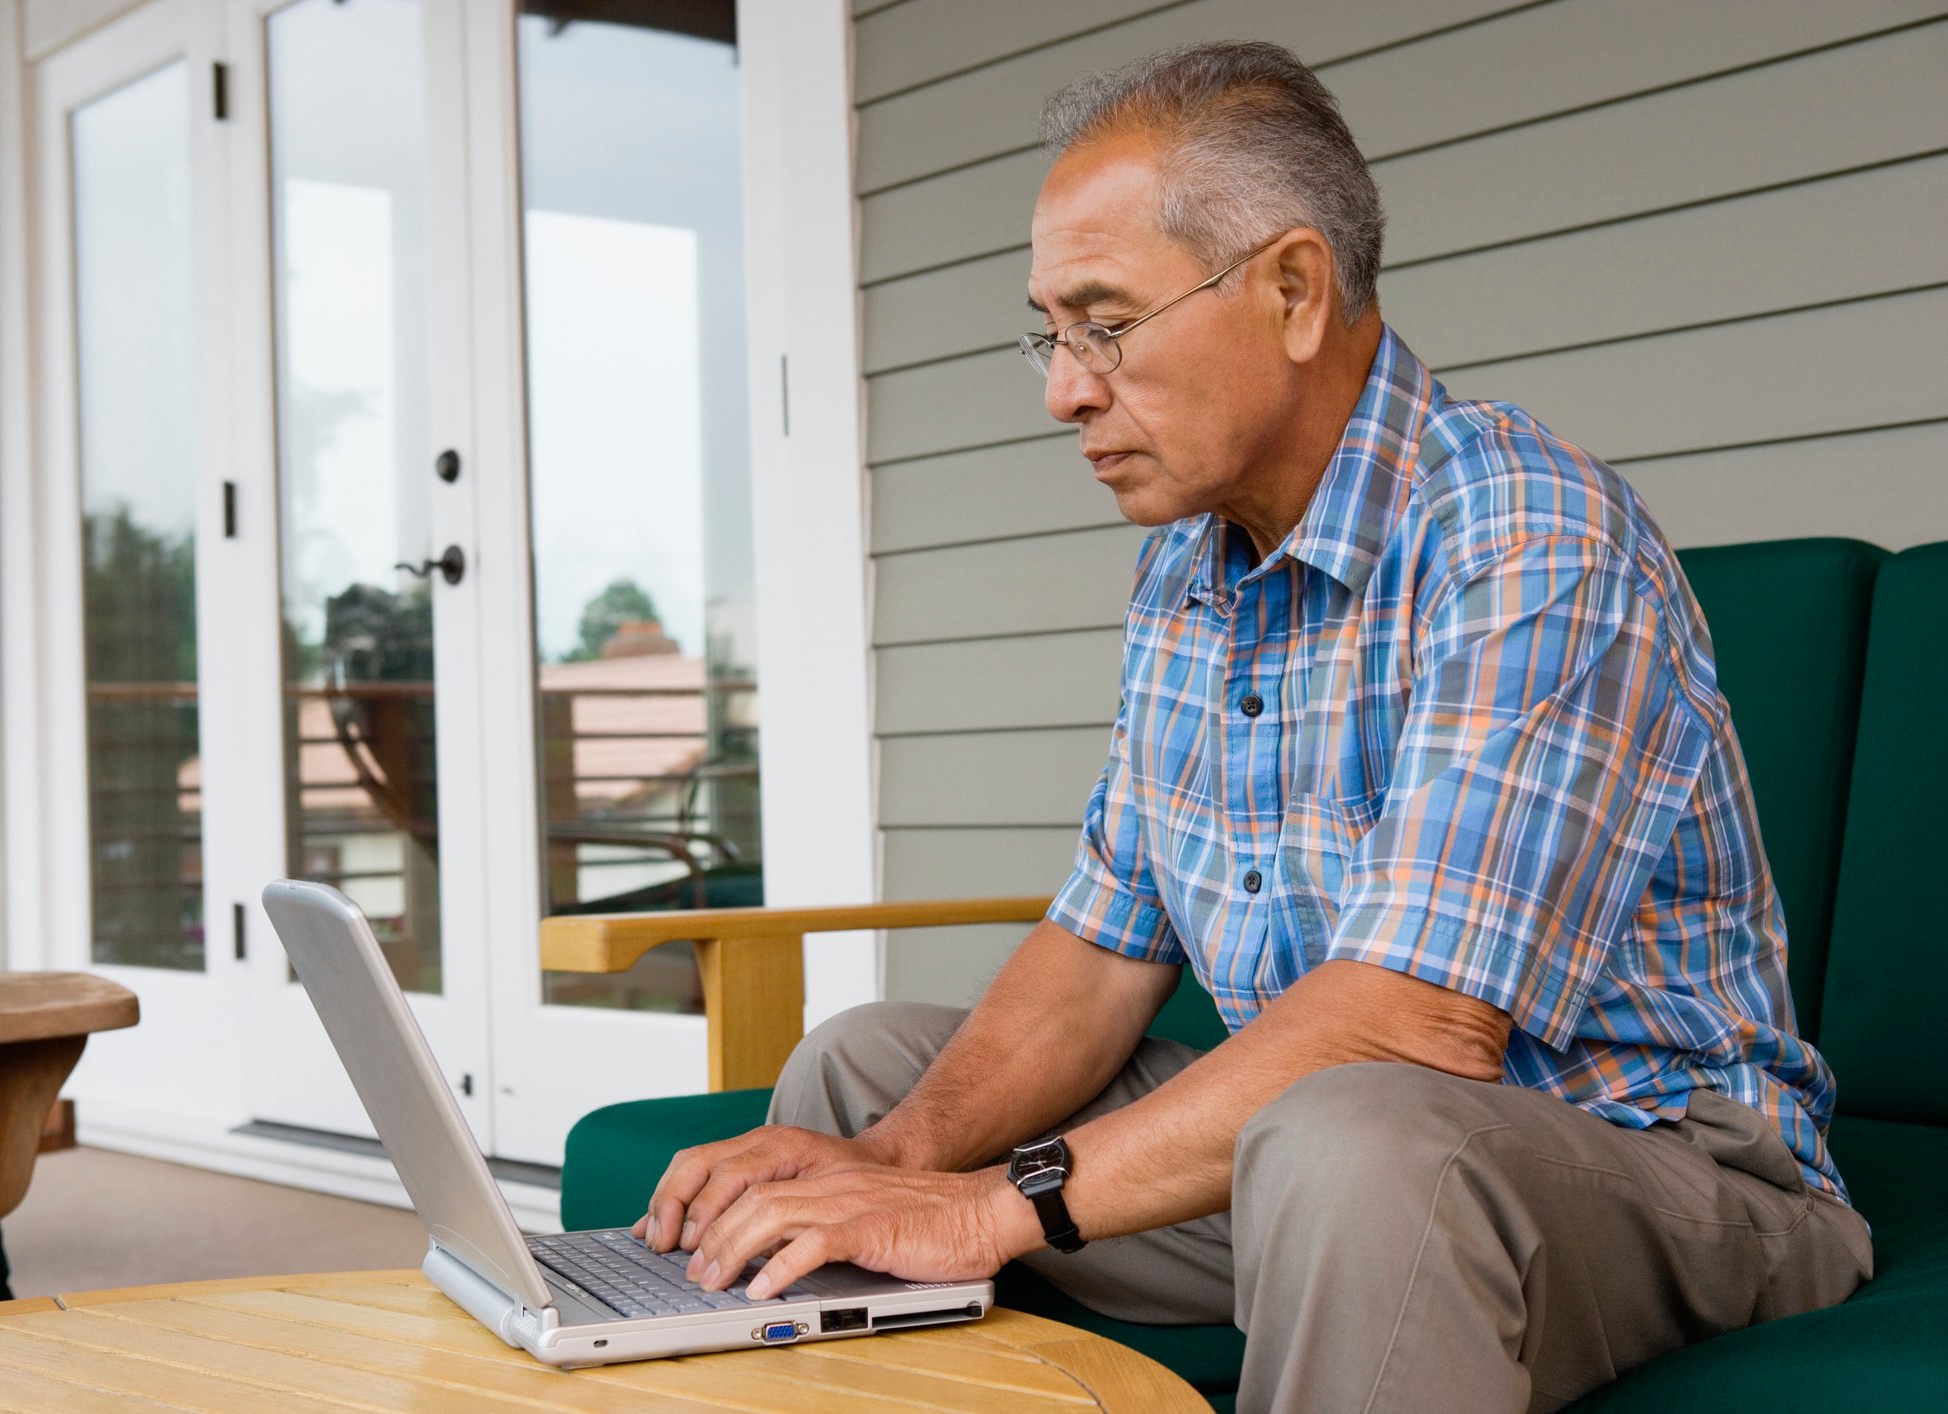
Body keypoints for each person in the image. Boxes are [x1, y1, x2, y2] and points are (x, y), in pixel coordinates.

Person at [631, 40, 1873, 1413]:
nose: (1063, 389)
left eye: (1103, 322)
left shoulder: (1522, 532)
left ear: (1290, 288)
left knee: (1358, 1141)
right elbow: (1101, 948)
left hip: (1656, 1178)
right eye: (1049, 333)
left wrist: (986, 1207)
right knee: (866, 1066)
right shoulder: (1187, 568)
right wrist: (903, 1156)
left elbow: (1414, 1024)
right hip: (1317, 1160)